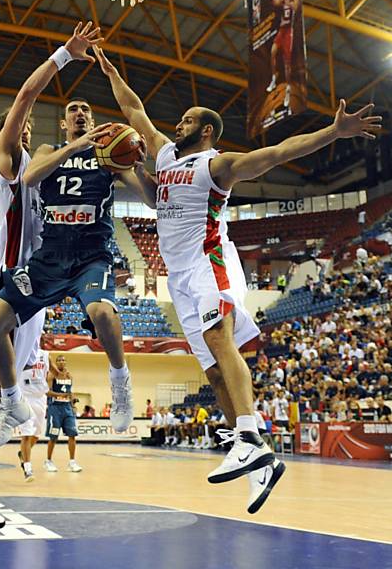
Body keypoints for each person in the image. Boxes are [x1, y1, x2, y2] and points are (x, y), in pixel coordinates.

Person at [94, 43, 381, 513]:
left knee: (219, 340)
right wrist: (109, 71)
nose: (178, 125)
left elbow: (278, 151)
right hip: (179, 275)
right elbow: (133, 110)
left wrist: (332, 132)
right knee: (209, 368)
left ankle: (248, 432)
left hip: (211, 262)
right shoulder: (165, 156)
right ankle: (258, 457)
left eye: (187, 121)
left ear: (206, 130)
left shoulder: (217, 165)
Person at [0, 23, 104, 530]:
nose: (25, 129)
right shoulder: (4, 158)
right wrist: (65, 56)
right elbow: (27, 93)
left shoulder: (41, 165)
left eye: (30, 127)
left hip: (36, 277)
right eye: (18, 126)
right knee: (2, 378)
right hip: (3, 271)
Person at [0, 43, 154, 450]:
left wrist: (139, 163)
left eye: (86, 110)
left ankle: (120, 381)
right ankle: (11, 402)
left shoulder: (111, 158)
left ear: (95, 119)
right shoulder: (46, 151)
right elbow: (29, 177)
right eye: (73, 110)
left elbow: (148, 197)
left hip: (91, 256)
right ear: (64, 124)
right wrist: (76, 147)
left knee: (101, 313)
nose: (80, 114)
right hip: (48, 259)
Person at [17, 347, 54, 481]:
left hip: (40, 398)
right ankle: (27, 469)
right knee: (27, 433)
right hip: (24, 396)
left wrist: (52, 377)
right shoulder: (20, 350)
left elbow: (55, 372)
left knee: (36, 435)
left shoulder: (46, 355)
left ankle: (23, 454)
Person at [265, 0, 300, 108]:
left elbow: (296, 7)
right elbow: (274, 3)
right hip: (281, 29)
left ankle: (288, 90)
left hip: (289, 31)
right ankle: (274, 78)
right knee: (272, 52)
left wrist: (288, 2)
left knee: (287, 63)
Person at [43, 354, 82, 473]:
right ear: (55, 363)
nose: (61, 362)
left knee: (72, 435)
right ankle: (48, 461)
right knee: (53, 436)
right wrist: (60, 395)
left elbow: (69, 392)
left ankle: (72, 462)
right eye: (59, 360)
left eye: (63, 360)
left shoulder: (69, 376)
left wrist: (73, 401)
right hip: (55, 408)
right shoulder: (51, 375)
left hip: (67, 408)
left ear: (66, 362)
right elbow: (47, 392)